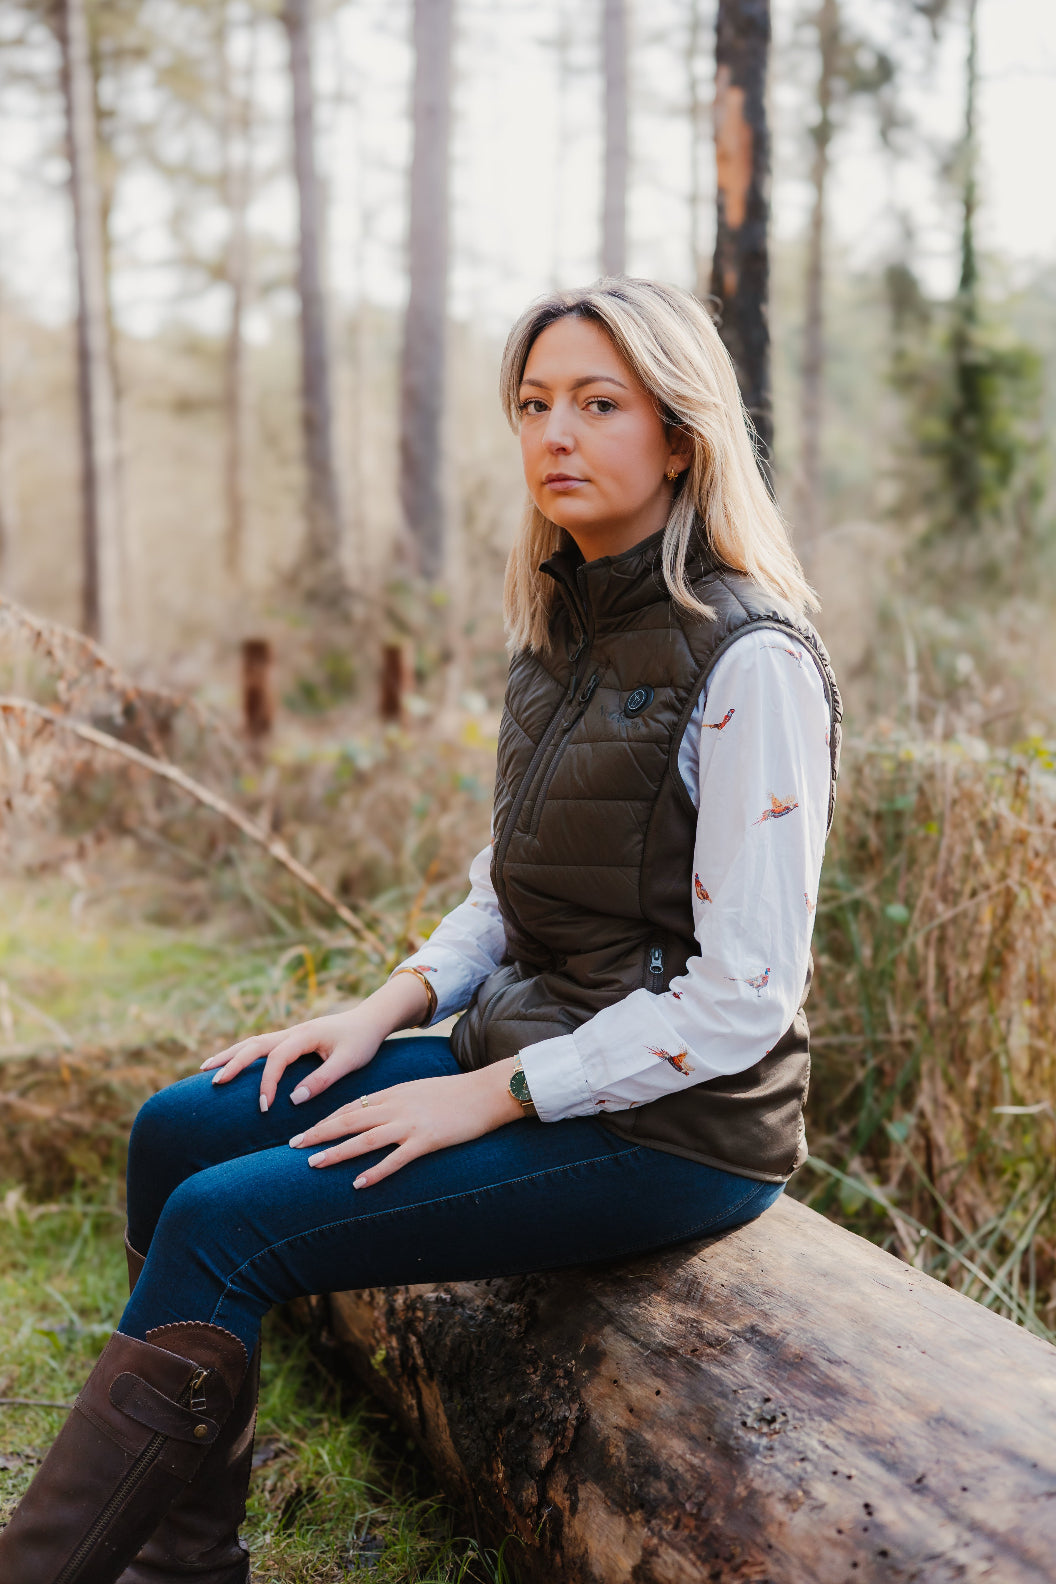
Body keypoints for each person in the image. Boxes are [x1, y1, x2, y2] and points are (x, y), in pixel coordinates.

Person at [0, 276, 841, 1584]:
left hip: (678, 1125)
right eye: (533, 404)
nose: (553, 433)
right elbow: (510, 884)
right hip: (532, 1057)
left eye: (597, 403)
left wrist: (491, 1094)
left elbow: (745, 997)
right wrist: (385, 1010)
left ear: (679, 436)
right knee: (180, 1128)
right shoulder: (559, 632)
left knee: (229, 1219)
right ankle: (189, 1542)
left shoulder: (752, 664)